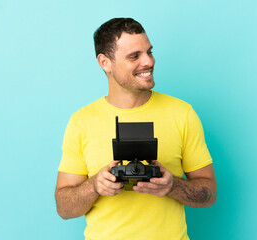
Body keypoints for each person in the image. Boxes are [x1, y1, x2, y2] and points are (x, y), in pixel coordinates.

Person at [55, 18, 217, 240]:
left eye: (149, 52)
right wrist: (95, 185)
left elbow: (209, 194)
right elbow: (64, 208)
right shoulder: (81, 122)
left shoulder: (182, 113)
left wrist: (172, 186)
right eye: (134, 56)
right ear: (105, 62)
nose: (148, 61)